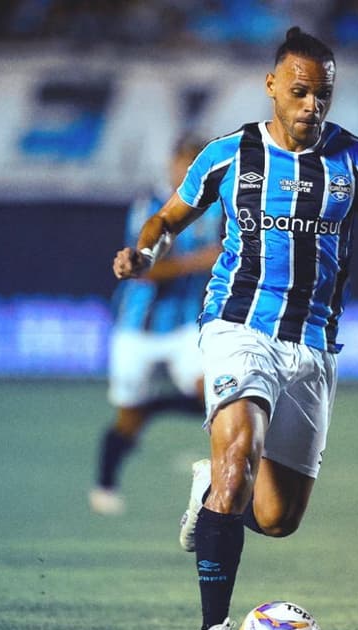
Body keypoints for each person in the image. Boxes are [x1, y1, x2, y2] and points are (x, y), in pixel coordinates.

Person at [113, 26, 358, 630]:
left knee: (279, 518)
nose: (312, 105)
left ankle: (211, 492)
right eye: (299, 92)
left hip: (313, 346)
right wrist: (146, 251)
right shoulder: (228, 155)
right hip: (238, 327)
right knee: (238, 463)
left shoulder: (357, 161)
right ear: (271, 87)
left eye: (323, 95)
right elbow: (169, 217)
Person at [89, 135, 222, 516]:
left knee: (214, 397)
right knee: (127, 415)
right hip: (137, 328)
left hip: (188, 325)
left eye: (196, 163)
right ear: (171, 163)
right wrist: (200, 261)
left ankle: (218, 476)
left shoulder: (220, 207)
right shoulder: (150, 206)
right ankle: (105, 483)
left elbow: (228, 256)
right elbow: (145, 271)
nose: (187, 170)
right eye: (183, 162)